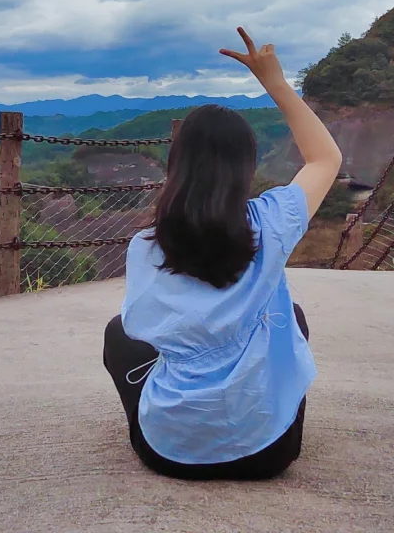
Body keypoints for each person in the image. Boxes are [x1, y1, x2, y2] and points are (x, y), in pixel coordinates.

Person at [102, 27, 343, 479]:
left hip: (169, 455)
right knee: (290, 317)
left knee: (118, 334)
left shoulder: (147, 246)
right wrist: (275, 83)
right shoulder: (272, 222)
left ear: (178, 166)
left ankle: (173, 418)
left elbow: (142, 327)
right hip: (271, 454)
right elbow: (324, 160)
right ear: (245, 166)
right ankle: (269, 412)